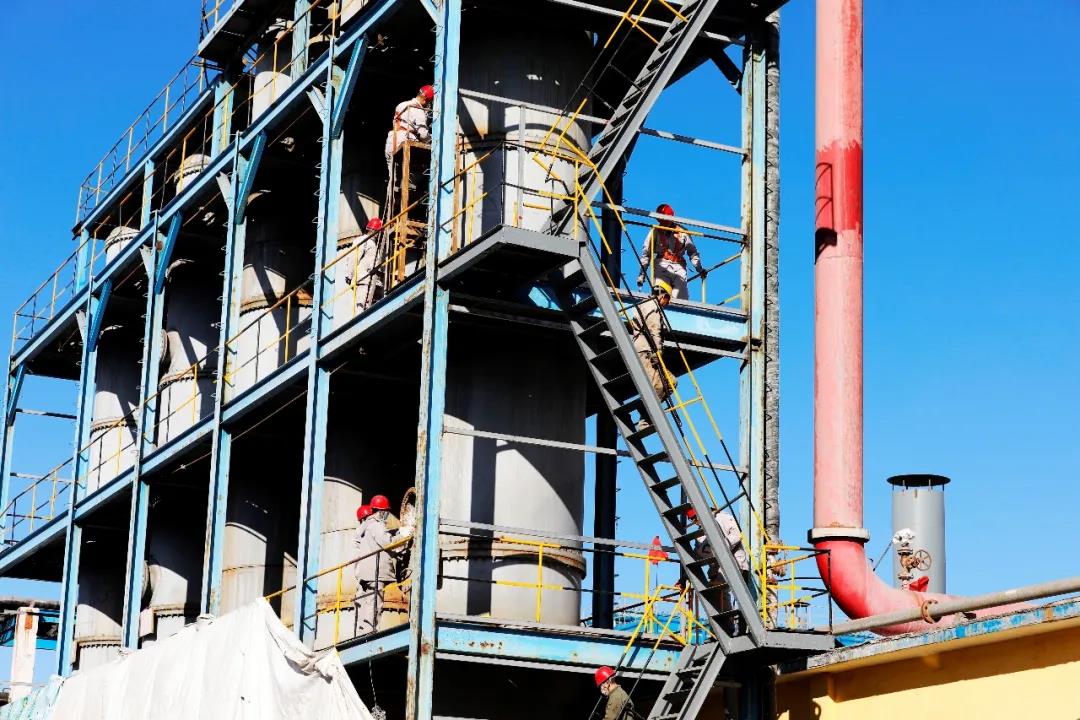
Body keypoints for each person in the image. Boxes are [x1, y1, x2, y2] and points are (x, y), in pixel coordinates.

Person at [354, 494, 403, 635]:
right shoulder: (376, 525)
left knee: (367, 602)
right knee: (375, 603)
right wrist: (403, 536)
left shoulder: (366, 527)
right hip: (375, 572)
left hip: (366, 573)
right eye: (386, 511)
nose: (387, 515)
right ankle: (370, 632)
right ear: (381, 511)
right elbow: (387, 542)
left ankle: (363, 631)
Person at [630, 280, 676, 431]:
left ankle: (644, 410)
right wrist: (658, 351)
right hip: (646, 351)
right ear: (663, 296)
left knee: (671, 382)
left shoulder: (643, 305)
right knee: (657, 385)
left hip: (644, 349)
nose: (667, 303)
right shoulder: (652, 307)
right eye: (668, 299)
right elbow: (654, 329)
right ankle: (645, 416)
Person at [636, 203, 705, 300]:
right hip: (661, 267)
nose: (663, 222)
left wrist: (700, 269)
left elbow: (692, 252)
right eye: (661, 220)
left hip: (679, 269)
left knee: (681, 301)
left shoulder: (683, 232)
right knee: (660, 298)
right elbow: (646, 254)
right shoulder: (655, 231)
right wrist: (642, 274)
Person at [385, 84, 434, 173]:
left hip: (391, 141)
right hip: (404, 139)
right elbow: (423, 135)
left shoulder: (402, 104)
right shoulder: (418, 110)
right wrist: (432, 140)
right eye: (428, 102)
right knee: (414, 172)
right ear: (425, 100)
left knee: (393, 176)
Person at [342, 217, 384, 313]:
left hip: (372, 280)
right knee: (361, 305)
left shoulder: (372, 244)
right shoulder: (363, 240)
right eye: (378, 232)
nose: (379, 234)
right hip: (363, 279)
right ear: (373, 230)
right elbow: (354, 257)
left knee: (370, 306)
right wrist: (349, 275)